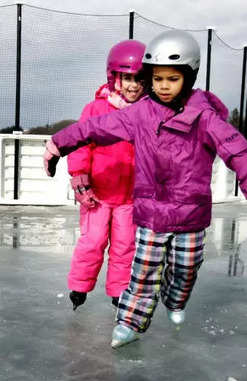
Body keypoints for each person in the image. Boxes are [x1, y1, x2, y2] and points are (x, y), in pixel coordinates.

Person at [43, 29, 247, 348]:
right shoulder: (140, 114)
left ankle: (175, 301)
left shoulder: (203, 116)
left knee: (185, 271)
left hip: (191, 214)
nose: (162, 86)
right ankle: (130, 322)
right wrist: (57, 145)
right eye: (157, 78)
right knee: (143, 272)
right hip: (151, 213)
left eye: (171, 79)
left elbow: (236, 149)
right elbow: (94, 128)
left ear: (188, 78)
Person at [66, 39, 146, 311]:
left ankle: (119, 292)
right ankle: (79, 286)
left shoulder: (149, 113)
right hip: (98, 193)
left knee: (126, 246)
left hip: (131, 197)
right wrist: (80, 180)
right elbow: (80, 145)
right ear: (115, 78)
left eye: (139, 79)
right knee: (93, 240)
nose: (133, 85)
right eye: (127, 78)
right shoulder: (96, 109)